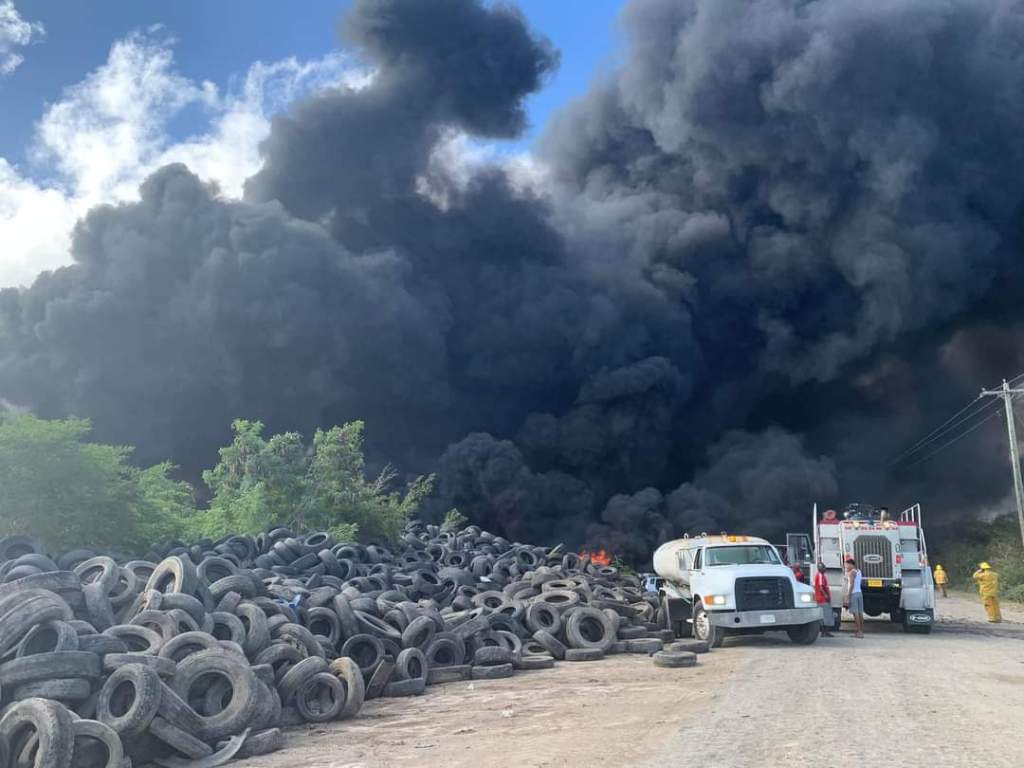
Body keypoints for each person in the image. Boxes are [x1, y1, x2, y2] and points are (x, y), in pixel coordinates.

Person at [844, 556, 865, 638]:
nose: (846, 567)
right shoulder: (858, 571)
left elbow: (851, 585)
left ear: (851, 564)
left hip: (854, 594)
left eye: (846, 565)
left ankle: (859, 632)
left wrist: (848, 596)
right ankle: (861, 631)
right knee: (860, 613)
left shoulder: (851, 573)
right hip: (860, 593)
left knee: (855, 613)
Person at [813, 560, 835, 637]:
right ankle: (825, 632)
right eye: (824, 567)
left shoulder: (820, 575)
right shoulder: (820, 575)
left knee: (823, 616)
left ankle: (824, 632)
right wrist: (826, 595)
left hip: (821, 598)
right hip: (822, 599)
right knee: (826, 615)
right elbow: (821, 586)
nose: (825, 569)